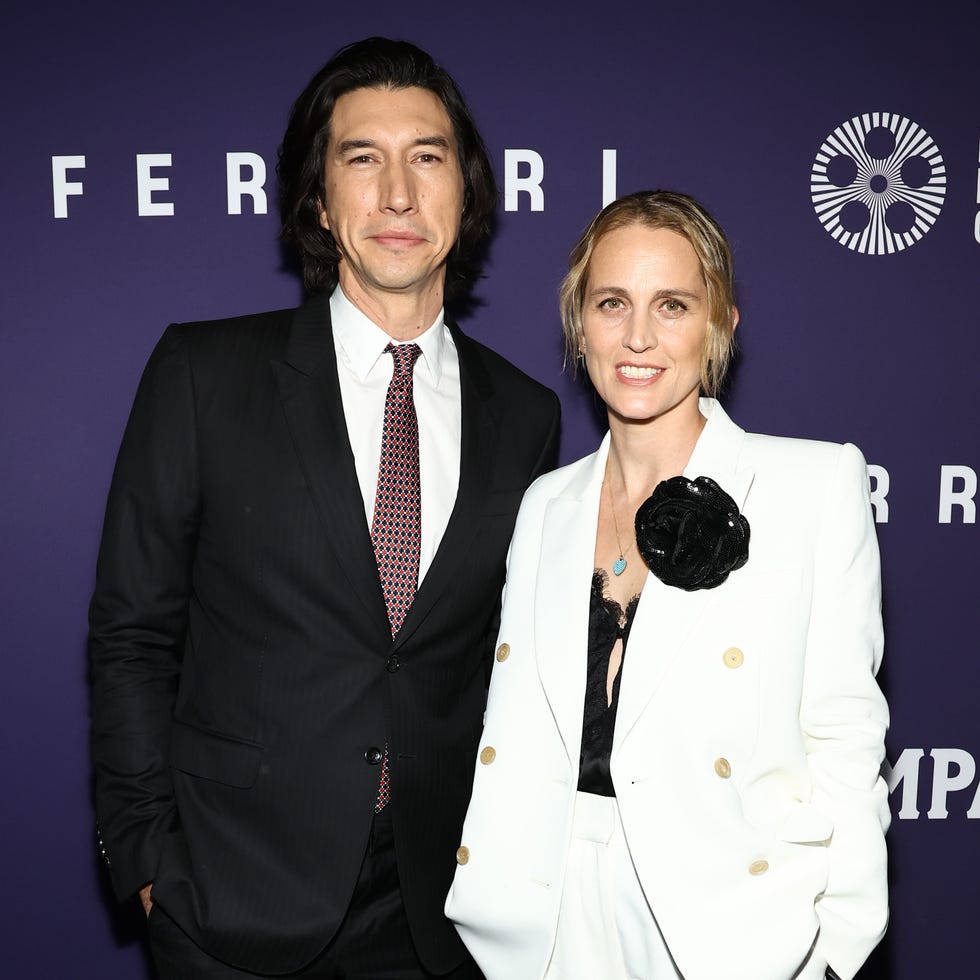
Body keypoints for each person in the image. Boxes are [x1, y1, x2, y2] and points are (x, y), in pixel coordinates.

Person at [89, 37, 560, 979]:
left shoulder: (527, 415)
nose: (396, 193)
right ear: (317, 199)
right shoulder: (203, 373)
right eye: (361, 159)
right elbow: (133, 632)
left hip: (436, 915)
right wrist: (145, 858)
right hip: (229, 902)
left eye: (427, 159)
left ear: (464, 198)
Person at [446, 190, 889, 980]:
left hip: (725, 919)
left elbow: (845, 734)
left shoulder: (811, 486)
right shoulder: (545, 504)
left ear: (719, 325)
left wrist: (839, 947)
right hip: (544, 919)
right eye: (612, 303)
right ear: (579, 326)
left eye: (673, 305)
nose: (639, 336)